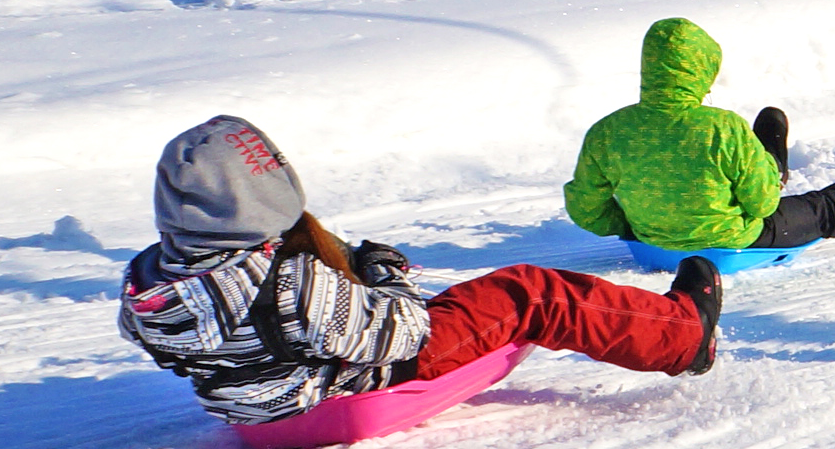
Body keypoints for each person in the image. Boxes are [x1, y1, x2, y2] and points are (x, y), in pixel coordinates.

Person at [119, 114, 723, 427]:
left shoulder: (150, 282)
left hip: (249, 409)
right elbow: (406, 332)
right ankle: (683, 336)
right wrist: (386, 276)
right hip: (344, 386)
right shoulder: (289, 287)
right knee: (530, 293)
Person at [565, 17, 835, 254]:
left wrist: (634, 225)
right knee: (821, 209)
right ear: (702, 70)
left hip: (651, 238)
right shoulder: (722, 127)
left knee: (744, 163)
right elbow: (763, 205)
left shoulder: (607, 131)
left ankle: (769, 161)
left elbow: (586, 209)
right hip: (732, 238)